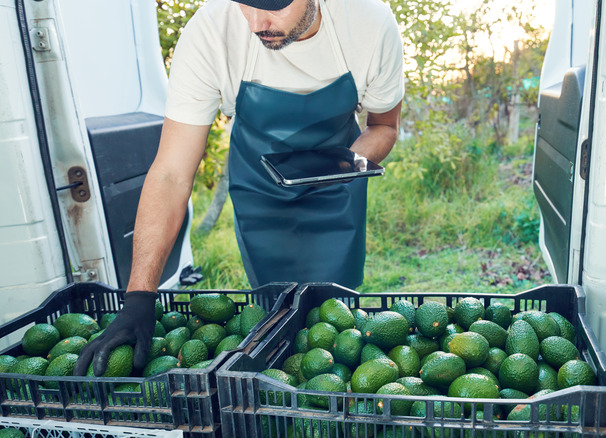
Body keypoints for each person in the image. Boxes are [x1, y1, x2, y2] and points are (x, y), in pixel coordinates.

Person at [74, 0, 404, 376]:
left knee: (335, 321)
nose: (256, 23)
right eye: (245, 5)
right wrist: (139, 298)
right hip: (260, 191)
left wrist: (336, 167)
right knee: (274, 308)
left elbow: (384, 126)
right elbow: (170, 173)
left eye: (274, 6)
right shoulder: (211, 32)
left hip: (336, 188)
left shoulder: (369, 23)